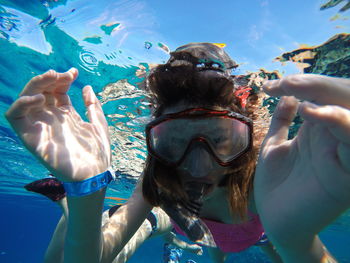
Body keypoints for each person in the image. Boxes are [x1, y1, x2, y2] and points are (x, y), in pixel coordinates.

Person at [5, 42, 350, 263]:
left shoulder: (268, 176)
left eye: (219, 140)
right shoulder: (157, 178)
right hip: (175, 221)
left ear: (249, 134)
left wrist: (299, 246)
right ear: (155, 137)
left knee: (230, 249)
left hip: (259, 234)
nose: (198, 167)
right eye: (174, 142)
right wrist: (87, 190)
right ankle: (74, 204)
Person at [24, 177, 203, 263]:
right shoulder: (175, 222)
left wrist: (189, 246)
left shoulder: (170, 211)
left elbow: (170, 239)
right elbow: (171, 239)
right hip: (141, 224)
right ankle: (68, 204)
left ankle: (66, 200)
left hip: (118, 212)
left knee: (63, 257)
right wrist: (189, 247)